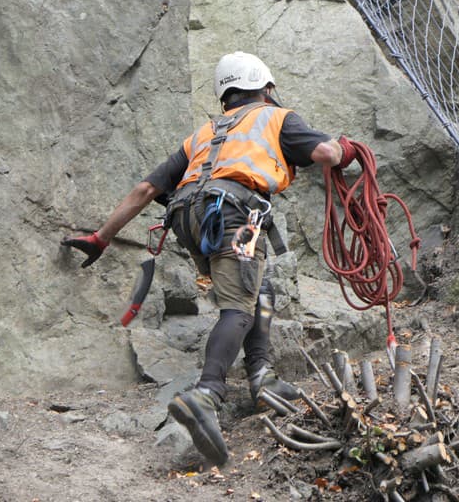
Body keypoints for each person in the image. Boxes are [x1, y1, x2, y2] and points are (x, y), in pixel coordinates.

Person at [62, 51, 357, 466]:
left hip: (190, 218)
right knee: (237, 306)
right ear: (267, 88)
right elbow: (327, 154)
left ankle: (261, 377)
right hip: (234, 214)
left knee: (258, 286)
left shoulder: (205, 134)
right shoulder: (278, 118)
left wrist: (101, 237)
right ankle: (207, 393)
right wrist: (346, 149)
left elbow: (147, 190)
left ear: (226, 96)